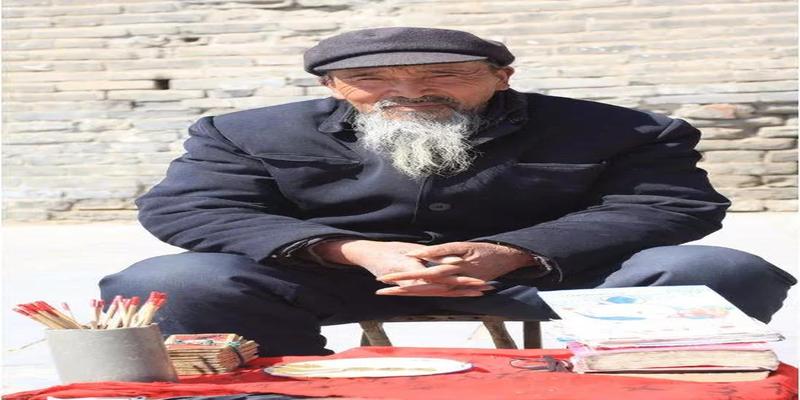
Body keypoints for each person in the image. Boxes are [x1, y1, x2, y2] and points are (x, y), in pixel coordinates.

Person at [100, 27, 796, 356]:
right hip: (334, 278)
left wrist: (512, 251)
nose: (411, 92)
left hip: (552, 278)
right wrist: (352, 250)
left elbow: (671, 204)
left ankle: (639, 383)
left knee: (716, 269)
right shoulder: (242, 132)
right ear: (331, 86)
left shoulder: (622, 130)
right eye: (373, 80)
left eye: (444, 75)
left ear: (502, 76)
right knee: (168, 280)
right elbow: (189, 208)